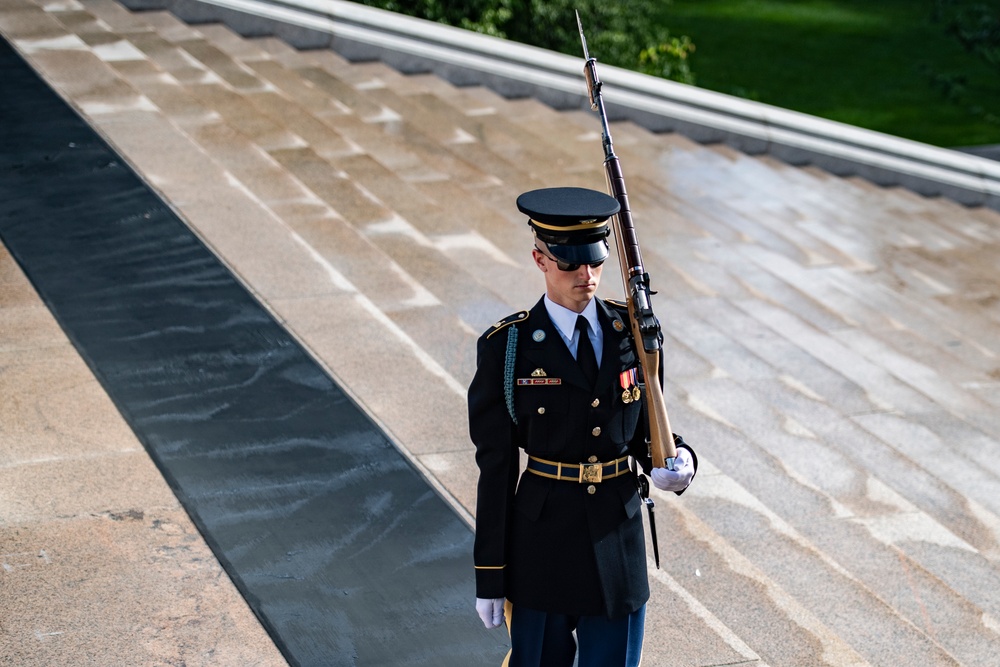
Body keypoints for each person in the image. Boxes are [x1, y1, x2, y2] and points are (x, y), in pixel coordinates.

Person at [468, 186, 698, 667]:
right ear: (540, 259)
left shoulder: (632, 333)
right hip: (541, 546)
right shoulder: (506, 348)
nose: (586, 276)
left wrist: (679, 461)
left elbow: (646, 428)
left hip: (616, 539)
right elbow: (495, 467)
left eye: (594, 262)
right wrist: (489, 572)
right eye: (570, 263)